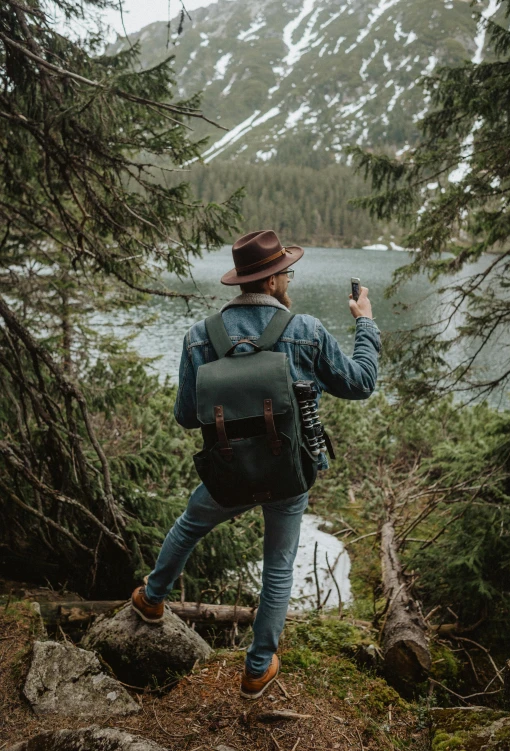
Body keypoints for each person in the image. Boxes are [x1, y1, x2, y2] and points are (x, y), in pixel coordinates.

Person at [131, 230, 381, 699]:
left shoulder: (198, 337)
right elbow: (362, 382)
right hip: (288, 473)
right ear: (269, 283)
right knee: (279, 567)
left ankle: (151, 599)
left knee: (188, 525)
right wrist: (364, 321)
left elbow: (186, 416)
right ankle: (257, 668)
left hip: (226, 475)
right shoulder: (306, 330)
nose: (288, 278)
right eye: (286, 272)